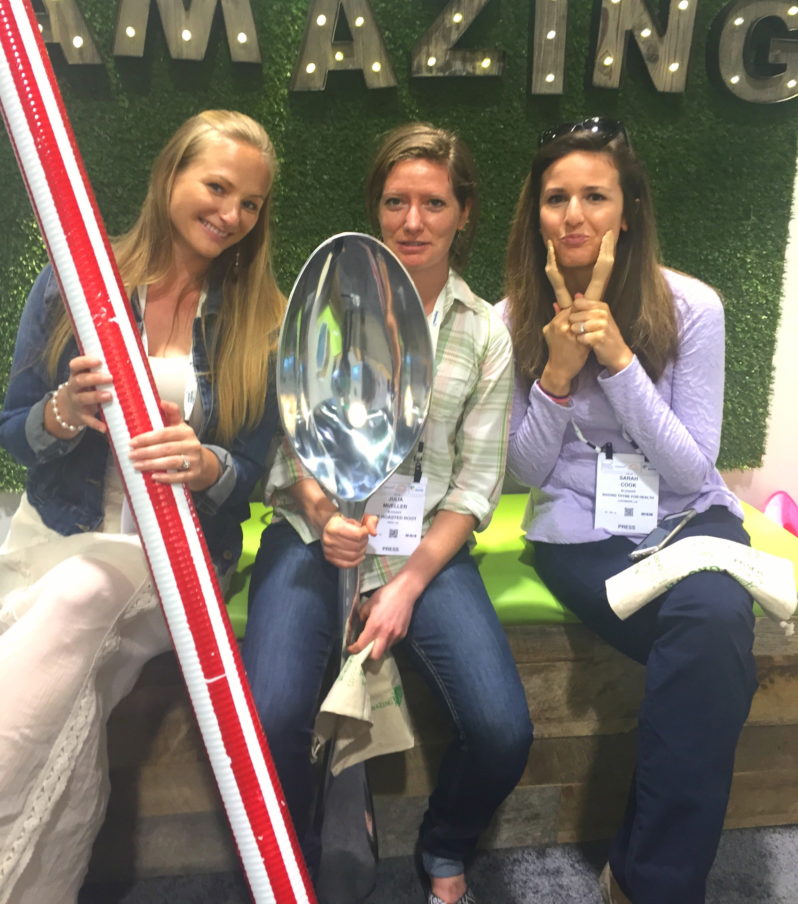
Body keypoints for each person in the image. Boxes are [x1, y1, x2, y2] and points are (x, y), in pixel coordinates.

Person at [243, 122, 533, 904]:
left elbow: (475, 487)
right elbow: (288, 443)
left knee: (505, 732)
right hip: (314, 537)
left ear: (464, 212)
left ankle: (443, 845)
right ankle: (300, 862)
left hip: (424, 553)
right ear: (376, 205)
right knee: (270, 715)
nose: (413, 221)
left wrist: (403, 586)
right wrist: (318, 506)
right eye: (397, 201)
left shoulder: (483, 333)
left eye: (433, 203)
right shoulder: (323, 302)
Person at [0, 109, 285, 903]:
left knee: (85, 593)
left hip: (177, 569)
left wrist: (207, 465)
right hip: (56, 534)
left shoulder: (262, 320)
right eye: (217, 187)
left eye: (251, 203)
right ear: (171, 177)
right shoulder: (70, 282)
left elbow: (257, 473)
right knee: (69, 689)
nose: (231, 215)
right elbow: (14, 430)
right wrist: (61, 410)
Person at [501, 118, 757, 904]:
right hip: (582, 533)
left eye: (594, 196)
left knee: (713, 627)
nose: (573, 214)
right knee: (710, 667)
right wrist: (556, 372)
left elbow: (690, 468)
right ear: (535, 214)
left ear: (630, 209)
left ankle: (645, 884)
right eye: (556, 197)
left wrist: (615, 362)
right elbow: (521, 473)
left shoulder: (694, 308)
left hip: (687, 520)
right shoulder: (511, 313)